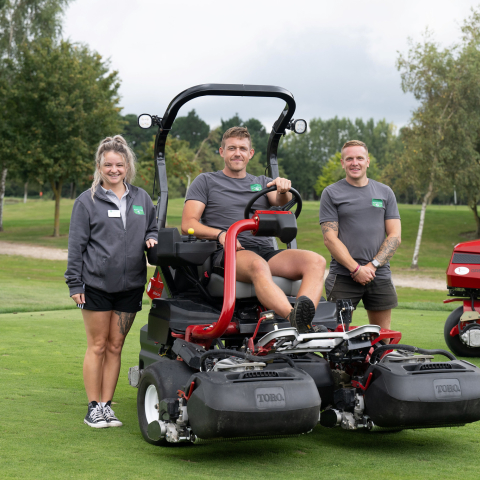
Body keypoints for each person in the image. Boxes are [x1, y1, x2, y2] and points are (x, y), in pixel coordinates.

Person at [182, 126, 326, 332]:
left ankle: (306, 317)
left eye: (242, 148)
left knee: (316, 261)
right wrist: (222, 235)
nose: (237, 153)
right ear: (222, 152)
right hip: (231, 251)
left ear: (250, 154)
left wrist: (282, 188)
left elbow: (279, 199)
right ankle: (296, 320)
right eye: (231, 148)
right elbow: (189, 224)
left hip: (266, 250)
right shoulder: (206, 181)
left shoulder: (263, 183)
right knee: (258, 266)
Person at [65, 135, 158, 428]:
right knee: (98, 345)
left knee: (116, 347)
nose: (114, 169)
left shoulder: (141, 198)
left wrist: (151, 237)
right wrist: (74, 283)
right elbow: (76, 246)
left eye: (119, 164)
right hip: (95, 286)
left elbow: (152, 226)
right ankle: (93, 407)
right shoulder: (87, 201)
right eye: (108, 164)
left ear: (127, 165)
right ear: (99, 166)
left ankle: (107, 406)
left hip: (130, 287)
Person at [319, 140, 401, 330]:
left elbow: (395, 235)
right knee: (337, 339)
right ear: (342, 163)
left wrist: (372, 265)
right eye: (349, 159)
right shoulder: (331, 193)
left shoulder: (385, 192)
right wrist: (356, 269)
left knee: (383, 338)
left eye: (359, 158)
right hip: (344, 276)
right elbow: (330, 238)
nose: (354, 162)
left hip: (378, 274)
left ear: (368, 161)